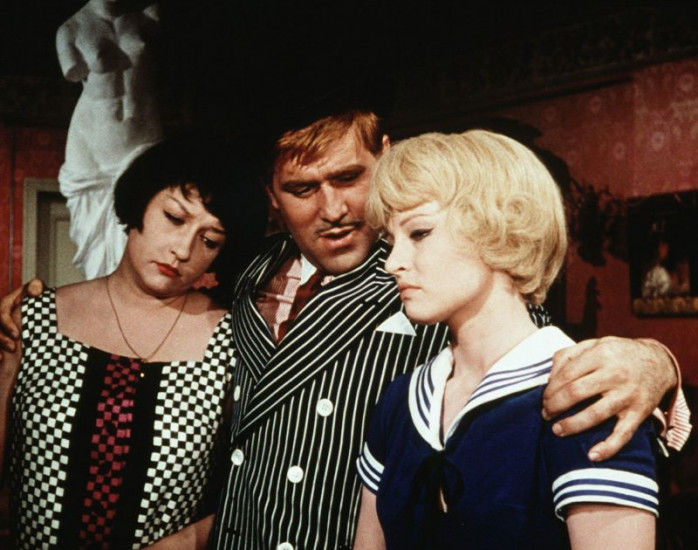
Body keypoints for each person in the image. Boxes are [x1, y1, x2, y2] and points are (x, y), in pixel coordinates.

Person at [0, 111, 690, 550]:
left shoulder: (431, 274)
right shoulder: (240, 270)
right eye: (304, 189)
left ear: (385, 156)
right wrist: (41, 307)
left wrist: (655, 362)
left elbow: (530, 339)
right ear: (271, 198)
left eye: (350, 177)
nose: (332, 209)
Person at [354, 130, 658, 550]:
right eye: (390, 241)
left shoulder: (586, 394)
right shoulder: (401, 399)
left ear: (499, 228)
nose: (392, 263)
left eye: (419, 233)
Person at [0, 136, 267, 549]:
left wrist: (188, 541)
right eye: (174, 218)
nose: (182, 249)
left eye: (209, 240)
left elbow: (256, 487)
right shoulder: (32, 319)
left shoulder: (234, 341)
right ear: (140, 202)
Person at [56, 0, 162, 278]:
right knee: (94, 236)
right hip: (93, 138)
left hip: (145, 136)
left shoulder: (148, 19)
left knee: (144, 225)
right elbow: (73, 71)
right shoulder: (70, 29)